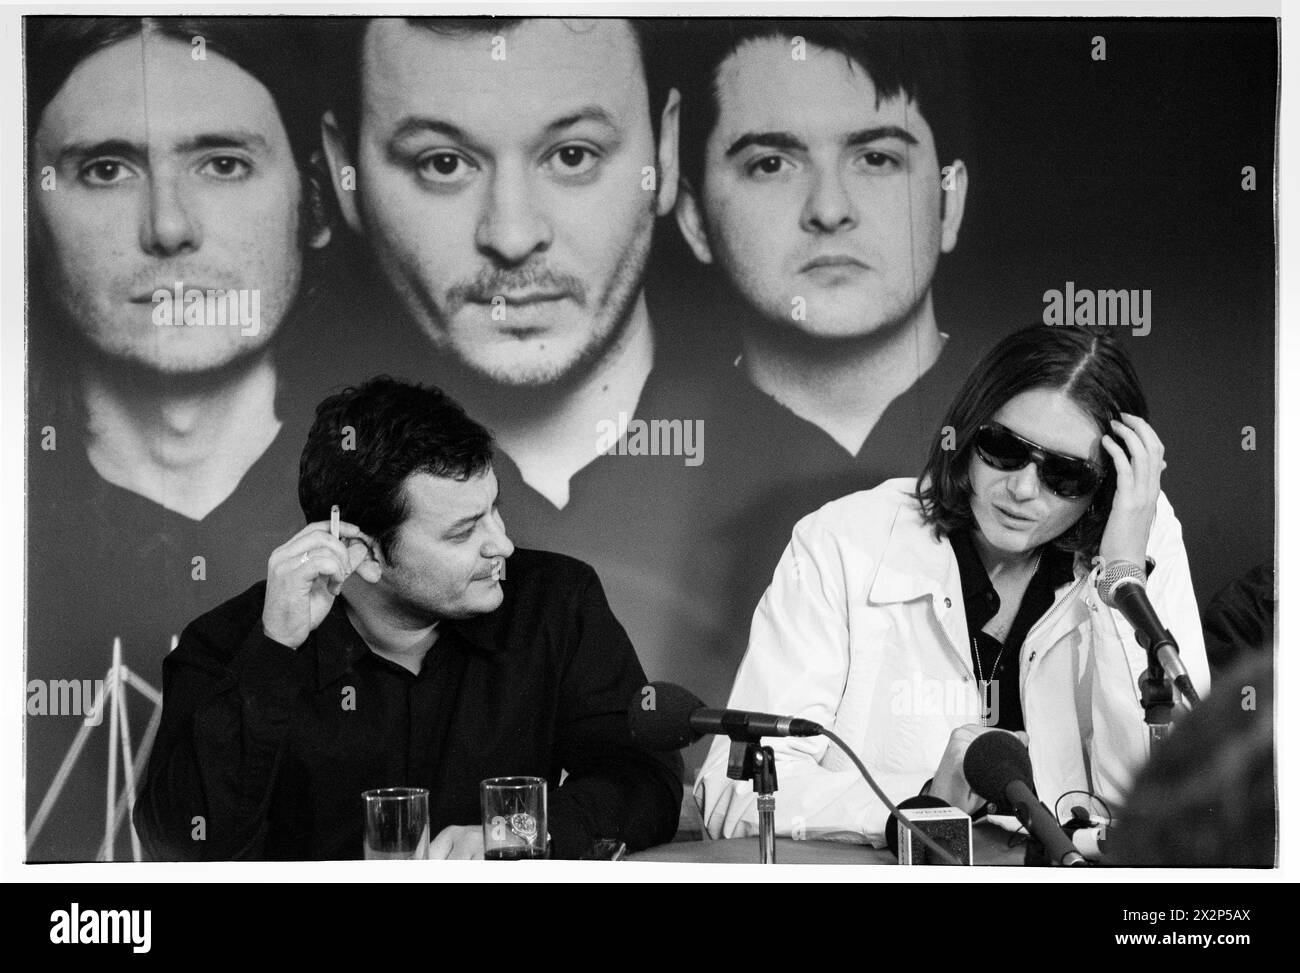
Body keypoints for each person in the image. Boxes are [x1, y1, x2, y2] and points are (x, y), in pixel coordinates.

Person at [695, 325, 1211, 844]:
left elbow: (1172, 808)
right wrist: (923, 804)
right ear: (966, 433)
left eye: (1066, 475)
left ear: (1107, 490)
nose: (1022, 489)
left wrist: (1118, 575)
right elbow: (732, 792)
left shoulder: (1138, 542)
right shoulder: (843, 541)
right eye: (1004, 448)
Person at [25, 16, 341, 862]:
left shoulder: (406, 525)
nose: (167, 228)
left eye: (222, 164)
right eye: (105, 169)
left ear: (315, 200)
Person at [133, 377, 683, 860]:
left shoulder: (556, 602)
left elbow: (644, 780)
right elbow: (181, 847)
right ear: (365, 554)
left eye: (494, 508)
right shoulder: (228, 646)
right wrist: (273, 653)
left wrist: (513, 832)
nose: (504, 545)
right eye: (464, 532)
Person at [673, 19, 971, 459]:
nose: (829, 211)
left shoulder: (1077, 438)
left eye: (876, 158)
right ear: (694, 218)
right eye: (770, 165)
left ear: (951, 202)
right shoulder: (632, 481)